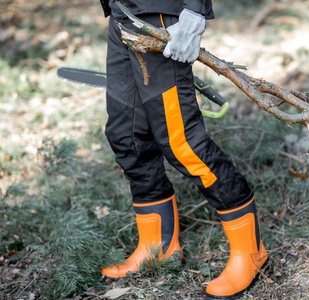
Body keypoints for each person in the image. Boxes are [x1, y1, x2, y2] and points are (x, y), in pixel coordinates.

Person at [98, 0, 268, 298]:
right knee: (127, 137)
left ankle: (250, 252)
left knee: (183, 144)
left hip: (160, 17)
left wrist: (193, 10)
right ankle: (159, 247)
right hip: (121, 13)